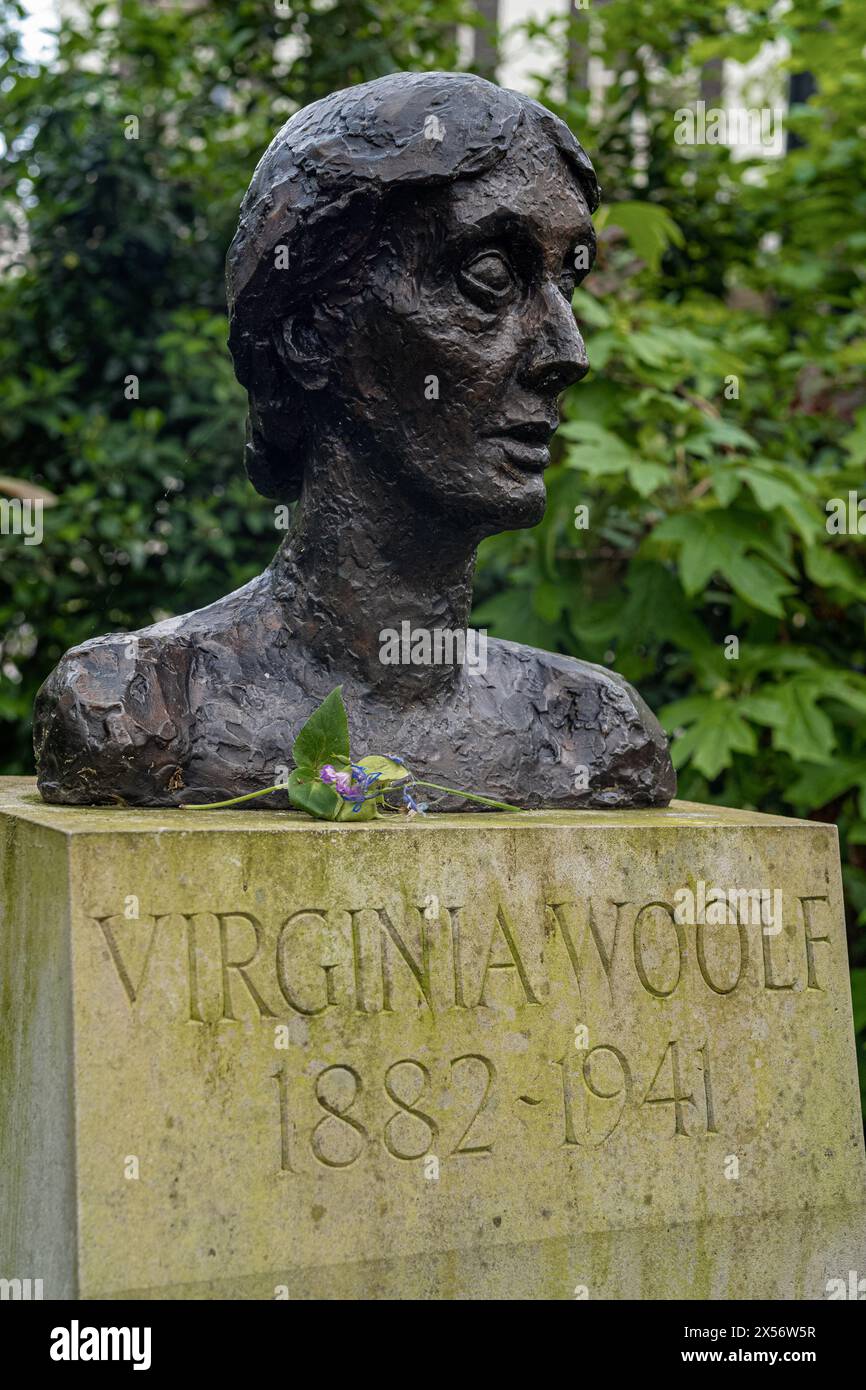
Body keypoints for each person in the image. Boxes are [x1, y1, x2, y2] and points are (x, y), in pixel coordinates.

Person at [34, 71, 675, 810]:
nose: (569, 352)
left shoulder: (591, 732)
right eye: (489, 277)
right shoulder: (139, 711)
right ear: (311, 330)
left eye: (568, 285)